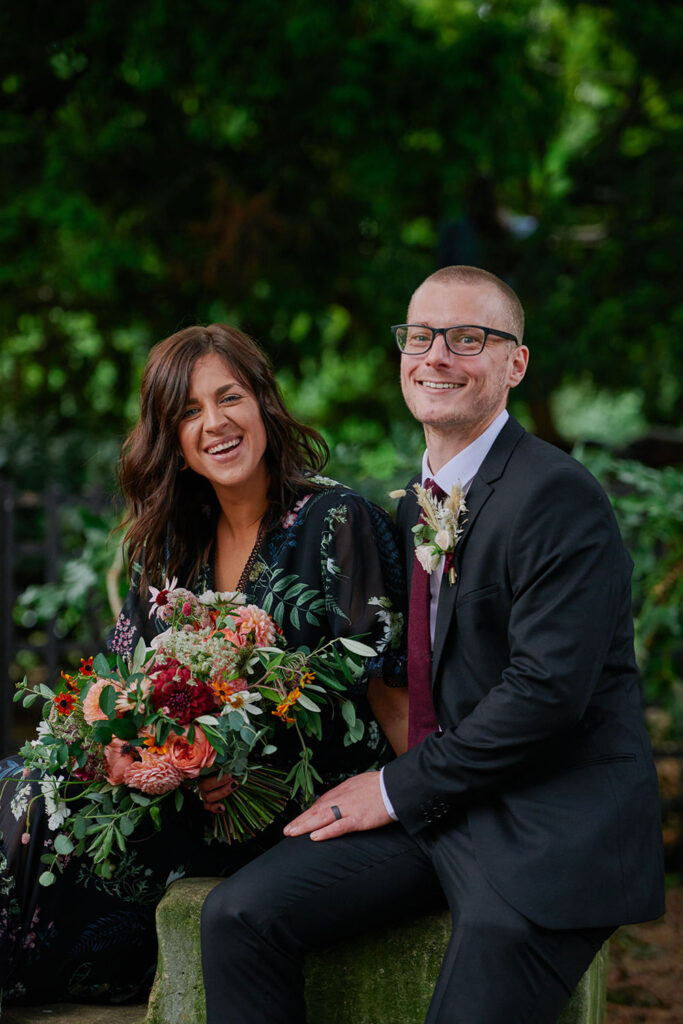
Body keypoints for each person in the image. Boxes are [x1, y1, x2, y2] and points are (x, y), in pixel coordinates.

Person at [200, 266, 666, 1024]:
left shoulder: (554, 494)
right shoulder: (421, 496)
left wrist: (390, 790)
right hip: (447, 808)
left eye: (467, 338)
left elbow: (545, 693)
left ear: (515, 363)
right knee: (238, 917)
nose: (436, 355)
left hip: (542, 823)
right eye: (420, 336)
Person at [0, 324, 408, 1008]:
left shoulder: (336, 521)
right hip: (180, 805)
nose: (214, 424)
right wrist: (142, 759)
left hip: (301, 811)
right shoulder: (167, 552)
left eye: (229, 398)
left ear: (263, 406)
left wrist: (431, 819)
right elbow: (119, 698)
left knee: (34, 811)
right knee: (25, 789)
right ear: (171, 438)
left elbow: (392, 685)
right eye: (188, 412)